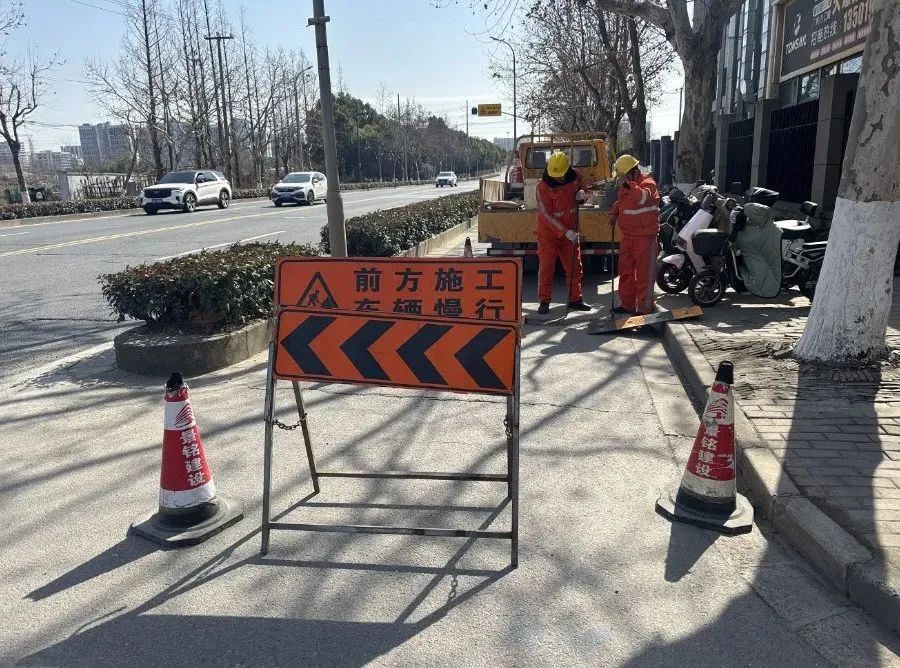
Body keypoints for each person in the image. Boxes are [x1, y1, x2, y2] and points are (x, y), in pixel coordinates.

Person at [535, 150, 591, 314]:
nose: (558, 179)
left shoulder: (576, 176)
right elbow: (546, 214)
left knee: (575, 268)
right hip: (549, 234)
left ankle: (575, 300)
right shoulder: (542, 187)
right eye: (556, 176)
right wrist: (564, 231)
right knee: (546, 268)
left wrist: (583, 196)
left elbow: (585, 192)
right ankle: (544, 301)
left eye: (561, 175)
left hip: (570, 233)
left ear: (567, 169)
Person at [610, 154, 660, 315]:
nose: (619, 180)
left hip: (645, 238)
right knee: (626, 273)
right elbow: (622, 201)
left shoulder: (648, 184)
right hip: (628, 237)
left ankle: (644, 310)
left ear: (631, 173)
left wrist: (629, 183)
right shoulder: (626, 186)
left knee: (645, 275)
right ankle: (627, 305)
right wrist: (615, 210)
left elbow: (641, 198)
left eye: (621, 176)